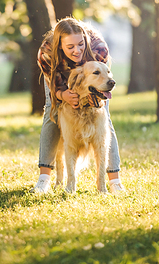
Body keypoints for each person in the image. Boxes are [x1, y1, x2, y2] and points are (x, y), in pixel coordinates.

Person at [31, 17, 126, 194]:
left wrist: (94, 98)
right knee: (51, 114)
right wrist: (62, 95)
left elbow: (103, 77)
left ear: (85, 39)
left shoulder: (99, 49)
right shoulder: (47, 52)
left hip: (90, 74)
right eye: (70, 47)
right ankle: (43, 180)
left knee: (104, 118)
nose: (77, 50)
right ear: (60, 46)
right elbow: (53, 88)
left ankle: (114, 182)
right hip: (58, 74)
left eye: (80, 44)